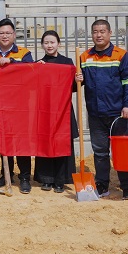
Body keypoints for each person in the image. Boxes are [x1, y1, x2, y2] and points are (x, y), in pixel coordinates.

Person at [78, 19, 128, 199]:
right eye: (95, 32)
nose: (99, 35)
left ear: (110, 33)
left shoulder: (122, 55)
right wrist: (77, 79)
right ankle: (102, 185)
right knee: (100, 152)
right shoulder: (84, 57)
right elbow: (79, 85)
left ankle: (127, 187)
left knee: (123, 152)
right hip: (96, 113)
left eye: (102, 31)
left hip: (118, 114)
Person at [0, 18, 35, 193]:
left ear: (14, 35)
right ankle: (6, 174)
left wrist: (12, 62)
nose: (4, 36)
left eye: (8, 33)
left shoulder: (24, 53)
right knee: (3, 141)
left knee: (21, 141)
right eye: (1, 33)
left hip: (19, 105)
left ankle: (25, 177)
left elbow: (30, 70)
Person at [34, 30, 78, 194]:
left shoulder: (67, 63)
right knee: (44, 143)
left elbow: (73, 87)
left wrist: (78, 80)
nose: (49, 45)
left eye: (52, 42)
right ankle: (46, 179)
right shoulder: (39, 64)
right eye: (46, 43)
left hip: (63, 110)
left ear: (58, 44)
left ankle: (60, 180)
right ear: (42, 45)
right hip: (45, 110)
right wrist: (36, 70)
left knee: (62, 144)